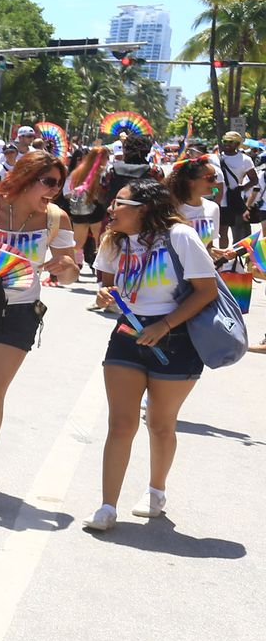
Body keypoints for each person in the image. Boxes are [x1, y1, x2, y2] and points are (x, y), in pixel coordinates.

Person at [83, 178, 222, 531]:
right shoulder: (113, 241)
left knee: (160, 424)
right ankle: (107, 506)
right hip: (128, 334)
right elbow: (110, 287)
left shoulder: (180, 237)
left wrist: (165, 325)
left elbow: (205, 291)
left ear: (143, 209)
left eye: (119, 203)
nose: (111, 209)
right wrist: (106, 297)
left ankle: (156, 491)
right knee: (121, 423)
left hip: (176, 338)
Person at [0, 152, 79, 503]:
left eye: (59, 183)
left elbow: (69, 276)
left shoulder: (56, 218)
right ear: (26, 177)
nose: (55, 191)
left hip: (22, 311)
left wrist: (65, 265)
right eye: (49, 182)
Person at [61, 145, 111, 274]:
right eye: (106, 157)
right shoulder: (102, 171)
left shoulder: (79, 170)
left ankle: (67, 266)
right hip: (96, 207)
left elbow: (69, 190)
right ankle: (101, 269)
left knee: (77, 243)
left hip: (79, 209)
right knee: (99, 240)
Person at [215, 131, 258, 248]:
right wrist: (215, 194)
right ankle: (224, 261)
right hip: (221, 202)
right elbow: (212, 183)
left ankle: (238, 261)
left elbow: (254, 180)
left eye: (231, 142)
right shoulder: (216, 158)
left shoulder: (245, 159)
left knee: (240, 234)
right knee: (222, 233)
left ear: (237, 144)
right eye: (225, 141)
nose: (227, 144)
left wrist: (242, 188)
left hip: (235, 199)